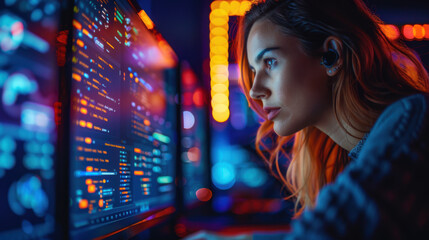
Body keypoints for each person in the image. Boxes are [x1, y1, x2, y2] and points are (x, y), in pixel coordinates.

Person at [185, 0, 429, 239]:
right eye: (253, 70)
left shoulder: (414, 118)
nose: (255, 90)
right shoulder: (357, 152)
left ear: (331, 56)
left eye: (270, 62)